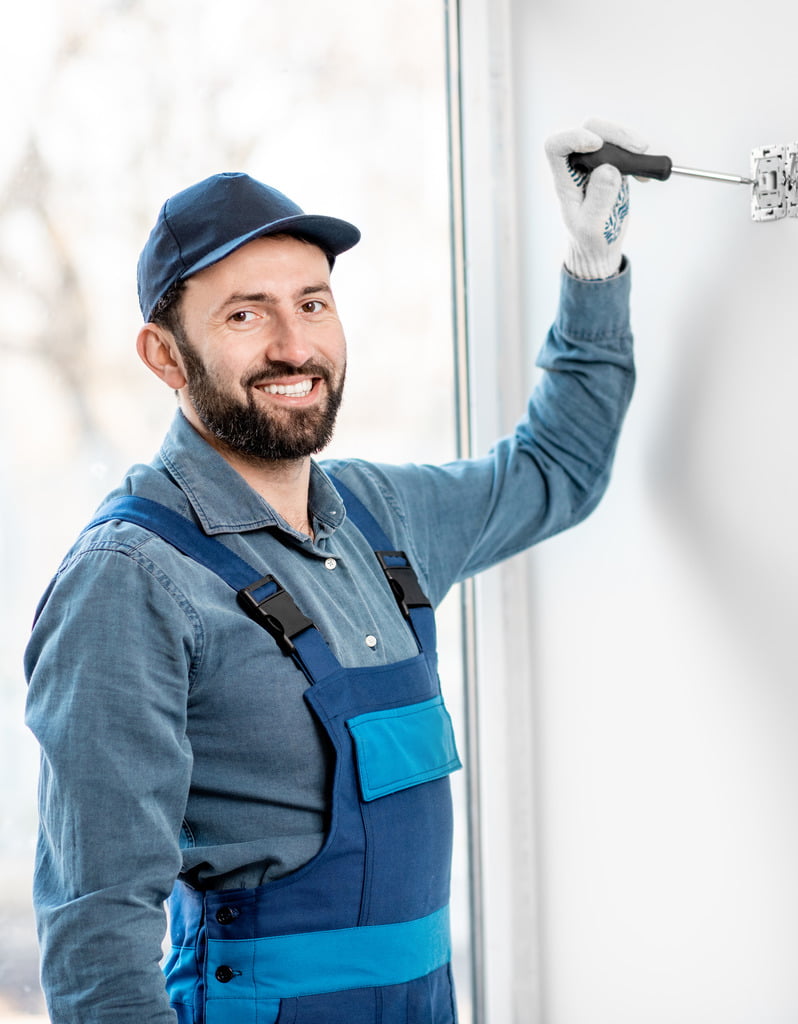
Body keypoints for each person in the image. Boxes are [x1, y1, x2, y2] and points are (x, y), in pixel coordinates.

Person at [24, 117, 645, 1024]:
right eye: (245, 313)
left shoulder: (378, 517)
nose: (293, 345)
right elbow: (97, 948)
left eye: (311, 303)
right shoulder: (130, 581)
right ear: (164, 354)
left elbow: (558, 470)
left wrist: (595, 268)